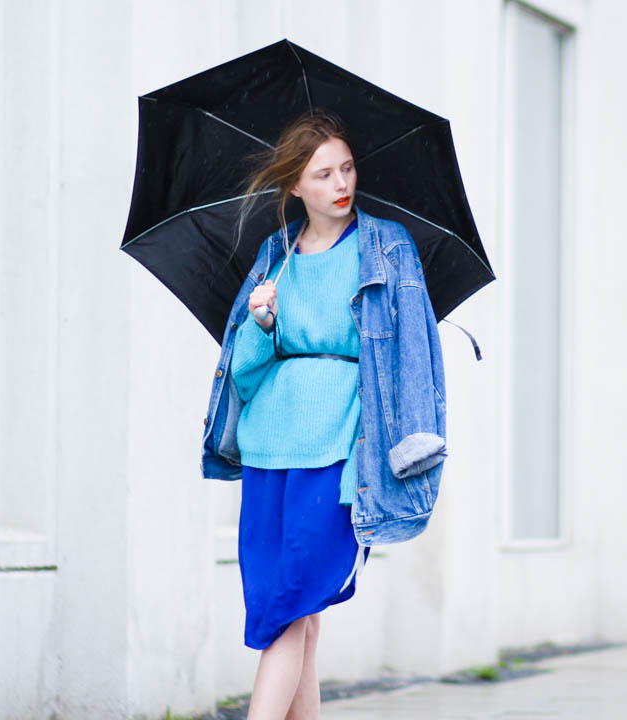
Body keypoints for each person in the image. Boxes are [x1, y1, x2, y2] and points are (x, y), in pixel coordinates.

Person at [211, 110, 447, 720]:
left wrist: (413, 445)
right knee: (295, 615)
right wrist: (262, 325)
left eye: (346, 168)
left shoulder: (386, 246)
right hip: (269, 449)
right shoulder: (275, 255)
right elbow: (243, 373)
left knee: (294, 604)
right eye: (323, 174)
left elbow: (415, 351)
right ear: (295, 187)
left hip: (341, 451)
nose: (341, 183)